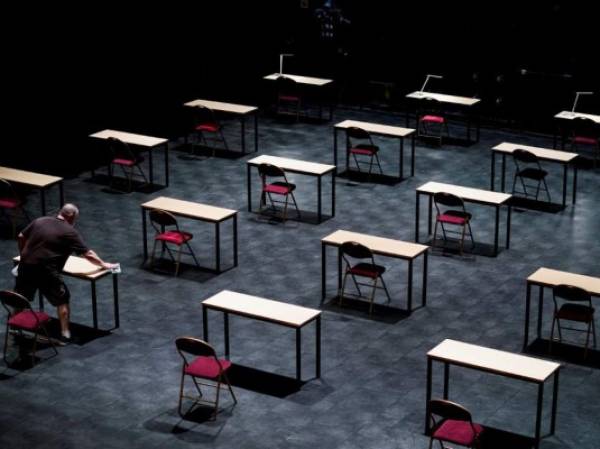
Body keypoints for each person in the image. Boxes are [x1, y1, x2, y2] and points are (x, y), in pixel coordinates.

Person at [15, 203, 117, 345]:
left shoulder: (40, 220)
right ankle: (65, 332)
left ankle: (15, 323)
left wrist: (23, 254)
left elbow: (21, 236)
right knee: (62, 299)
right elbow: (88, 254)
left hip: (26, 266)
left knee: (21, 295)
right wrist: (104, 264)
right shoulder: (69, 231)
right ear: (72, 217)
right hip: (46, 270)